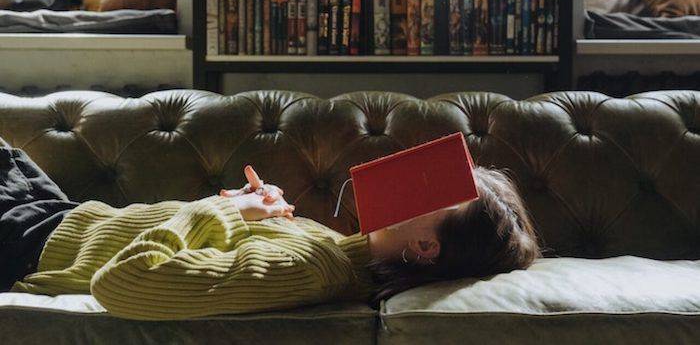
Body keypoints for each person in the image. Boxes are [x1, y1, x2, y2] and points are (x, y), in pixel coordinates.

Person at [0, 141, 540, 320]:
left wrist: (220, 211)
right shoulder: (333, 248)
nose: (408, 172)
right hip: (59, 210)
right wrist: (258, 207)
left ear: (425, 248)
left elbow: (125, 282)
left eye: (430, 189)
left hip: (24, 240)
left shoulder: (312, 270)